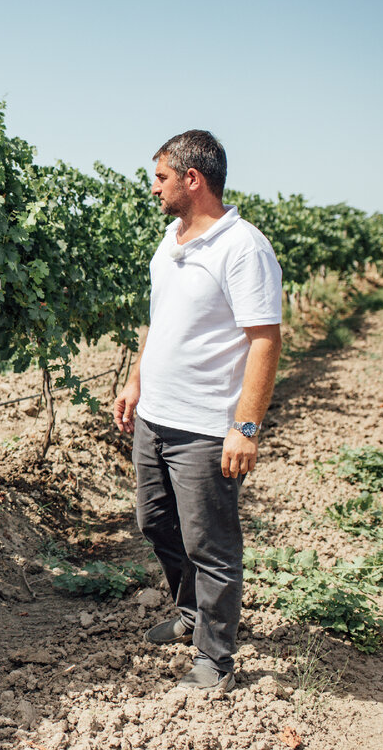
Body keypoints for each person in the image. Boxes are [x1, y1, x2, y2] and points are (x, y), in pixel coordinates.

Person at [113, 130, 282, 692]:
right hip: (157, 415)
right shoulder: (171, 238)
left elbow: (264, 340)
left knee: (210, 544)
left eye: (161, 177)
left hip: (207, 426)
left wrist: (245, 427)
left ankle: (215, 658)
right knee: (154, 521)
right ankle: (190, 612)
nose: (153, 187)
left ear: (193, 179)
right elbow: (159, 321)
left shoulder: (244, 247)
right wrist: (136, 381)